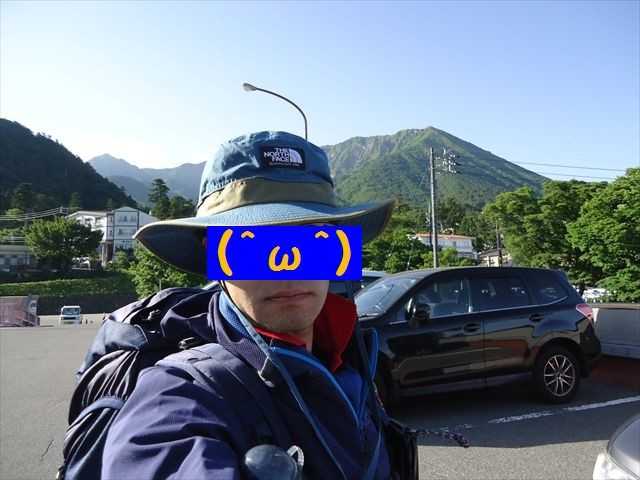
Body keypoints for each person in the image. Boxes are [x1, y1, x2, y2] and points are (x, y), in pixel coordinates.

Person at [101, 131, 395, 479]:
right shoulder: (180, 395)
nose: (288, 270)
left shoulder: (351, 357)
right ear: (212, 256)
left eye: (314, 244)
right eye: (251, 249)